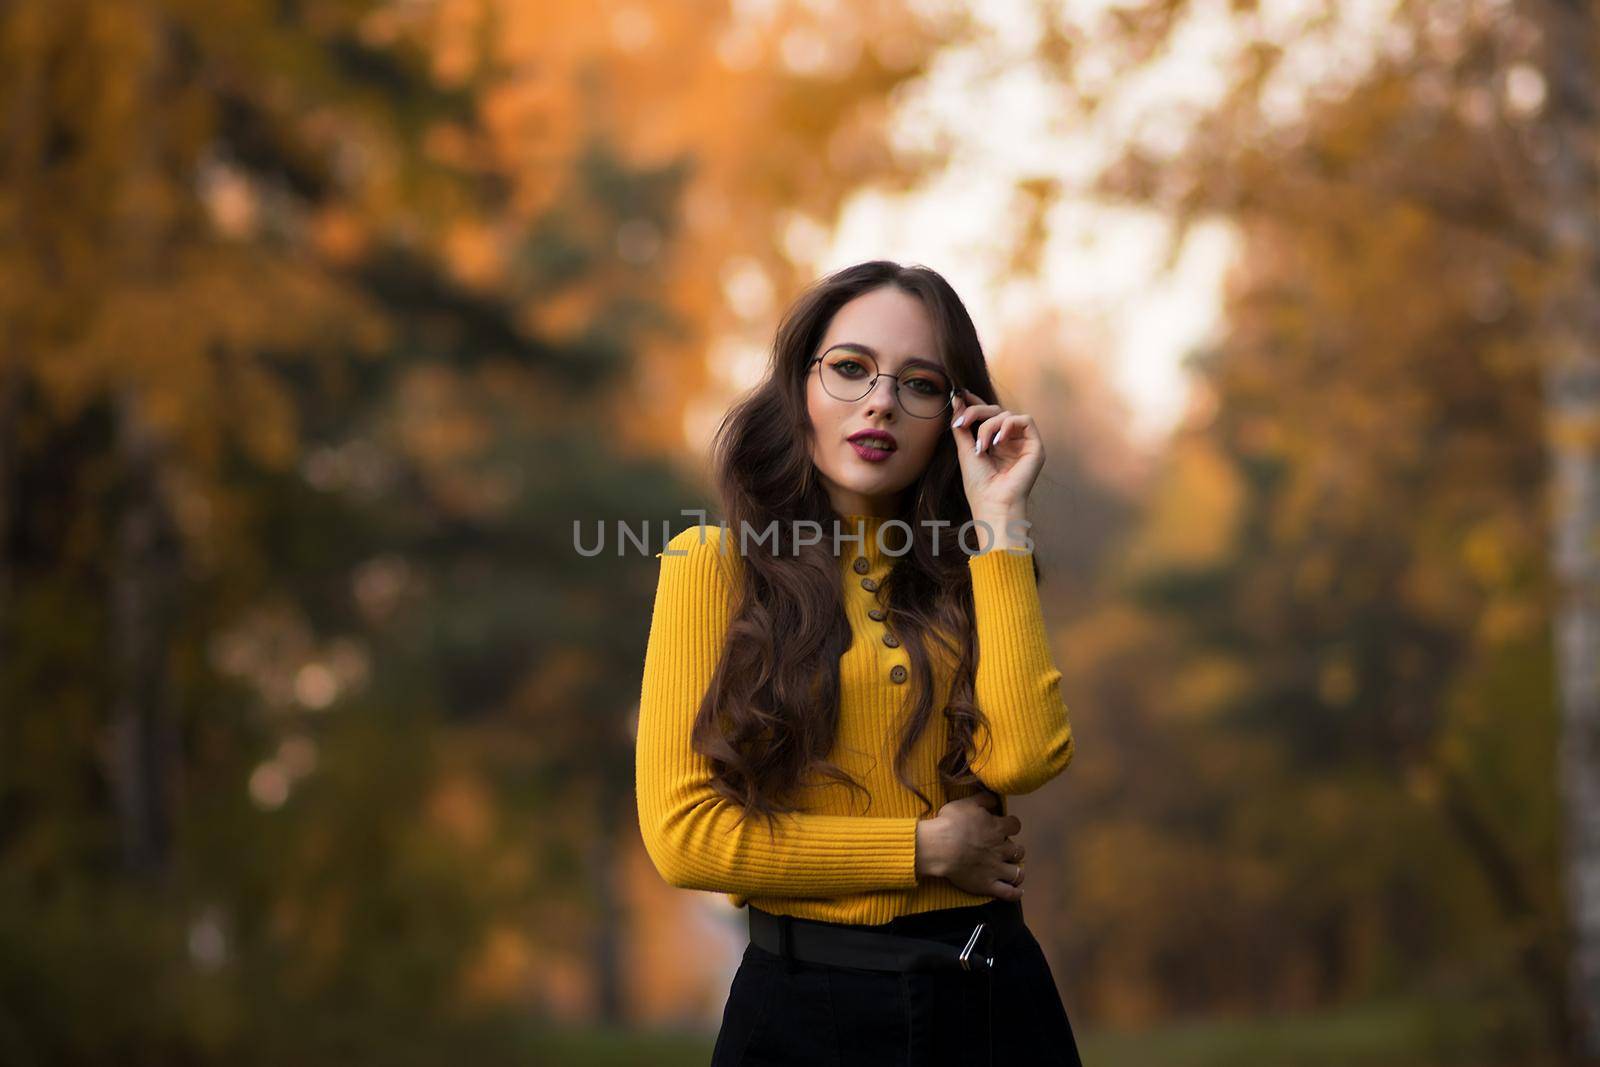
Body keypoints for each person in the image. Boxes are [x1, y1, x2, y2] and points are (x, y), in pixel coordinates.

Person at [635, 260, 1083, 1065]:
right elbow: (684, 837)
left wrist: (1001, 523)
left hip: (991, 996)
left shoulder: (969, 570)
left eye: (919, 384)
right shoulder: (715, 567)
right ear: (799, 387)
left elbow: (1026, 754)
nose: (880, 400)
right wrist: (922, 849)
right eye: (850, 369)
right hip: (804, 1007)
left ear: (957, 416)